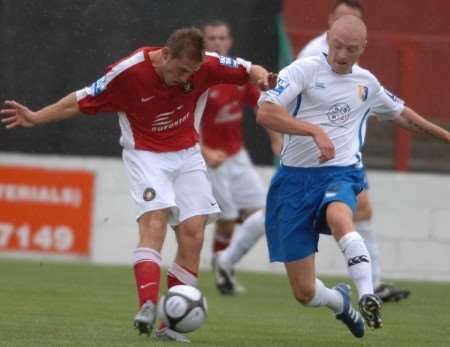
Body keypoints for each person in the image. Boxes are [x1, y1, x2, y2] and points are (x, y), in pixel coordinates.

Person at [1, 27, 275, 343]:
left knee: (194, 233)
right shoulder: (128, 72)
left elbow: (248, 69)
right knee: (155, 221)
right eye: (181, 70)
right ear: (166, 54)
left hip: (187, 153)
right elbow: (79, 100)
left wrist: (263, 78)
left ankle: (169, 324)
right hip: (146, 155)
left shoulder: (207, 65)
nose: (186, 77)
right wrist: (36, 117)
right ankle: (147, 304)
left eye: (193, 72)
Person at [257, 15, 450, 338]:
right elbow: (266, 111)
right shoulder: (304, 70)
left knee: (340, 215)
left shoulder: (366, 83)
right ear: (327, 37)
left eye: (350, 49)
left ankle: (367, 293)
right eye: (336, 46)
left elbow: (402, 114)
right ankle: (340, 301)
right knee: (304, 292)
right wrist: (313, 130)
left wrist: (445, 136)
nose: (341, 55)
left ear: (363, 48)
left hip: (341, 172)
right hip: (293, 181)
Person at [298, 0, 411, 303]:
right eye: (343, 18)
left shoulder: (354, 58)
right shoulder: (312, 55)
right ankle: (367, 285)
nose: (349, 23)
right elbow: (283, 100)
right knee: (312, 214)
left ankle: (371, 285)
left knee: (360, 210)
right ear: (330, 21)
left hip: (345, 153)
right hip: (316, 155)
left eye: (355, 19)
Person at [201, 20, 282, 295]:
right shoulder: (199, 75)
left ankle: (224, 261)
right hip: (212, 158)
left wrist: (276, 138)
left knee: (265, 212)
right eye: (211, 38)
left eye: (222, 37)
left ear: (230, 41)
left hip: (237, 155)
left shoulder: (237, 74)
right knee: (227, 218)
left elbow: (262, 106)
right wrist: (205, 151)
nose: (217, 42)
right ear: (204, 42)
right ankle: (222, 273)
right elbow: (185, 121)